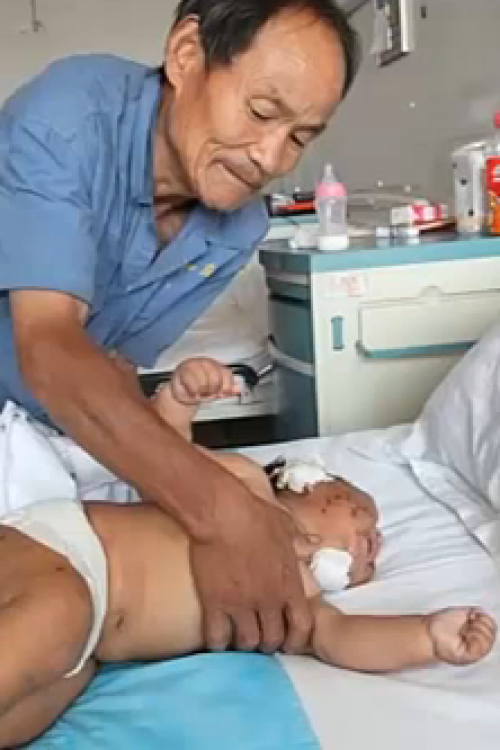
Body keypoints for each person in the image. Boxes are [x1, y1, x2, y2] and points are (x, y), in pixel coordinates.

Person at [0, 0, 360, 655]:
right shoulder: (68, 120)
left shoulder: (238, 226)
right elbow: (49, 348)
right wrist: (220, 511)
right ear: (187, 54)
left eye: (301, 137)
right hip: (24, 415)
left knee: (78, 633)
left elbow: (112, 364)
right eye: (262, 111)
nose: (271, 157)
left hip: (48, 439)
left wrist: (166, 487)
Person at [0, 356, 495, 748]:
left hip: (91, 645)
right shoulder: (245, 486)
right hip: (64, 552)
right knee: (58, 617)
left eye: (376, 546)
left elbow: (342, 638)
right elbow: (165, 458)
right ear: (311, 484)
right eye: (363, 513)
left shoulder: (296, 598)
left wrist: (425, 635)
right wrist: (180, 400)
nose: (377, 539)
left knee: (30, 712)